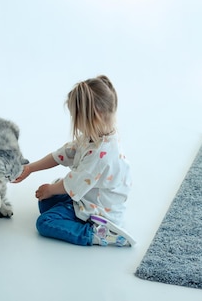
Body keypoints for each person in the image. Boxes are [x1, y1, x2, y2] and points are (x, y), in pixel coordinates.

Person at [13, 75, 135, 247]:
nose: (76, 125)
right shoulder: (97, 136)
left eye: (77, 120)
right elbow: (63, 154)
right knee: (46, 202)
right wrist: (31, 168)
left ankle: (96, 234)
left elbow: (74, 183)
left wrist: (51, 189)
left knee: (44, 222)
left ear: (94, 117)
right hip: (87, 196)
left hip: (99, 212)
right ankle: (71, 211)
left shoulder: (102, 155)